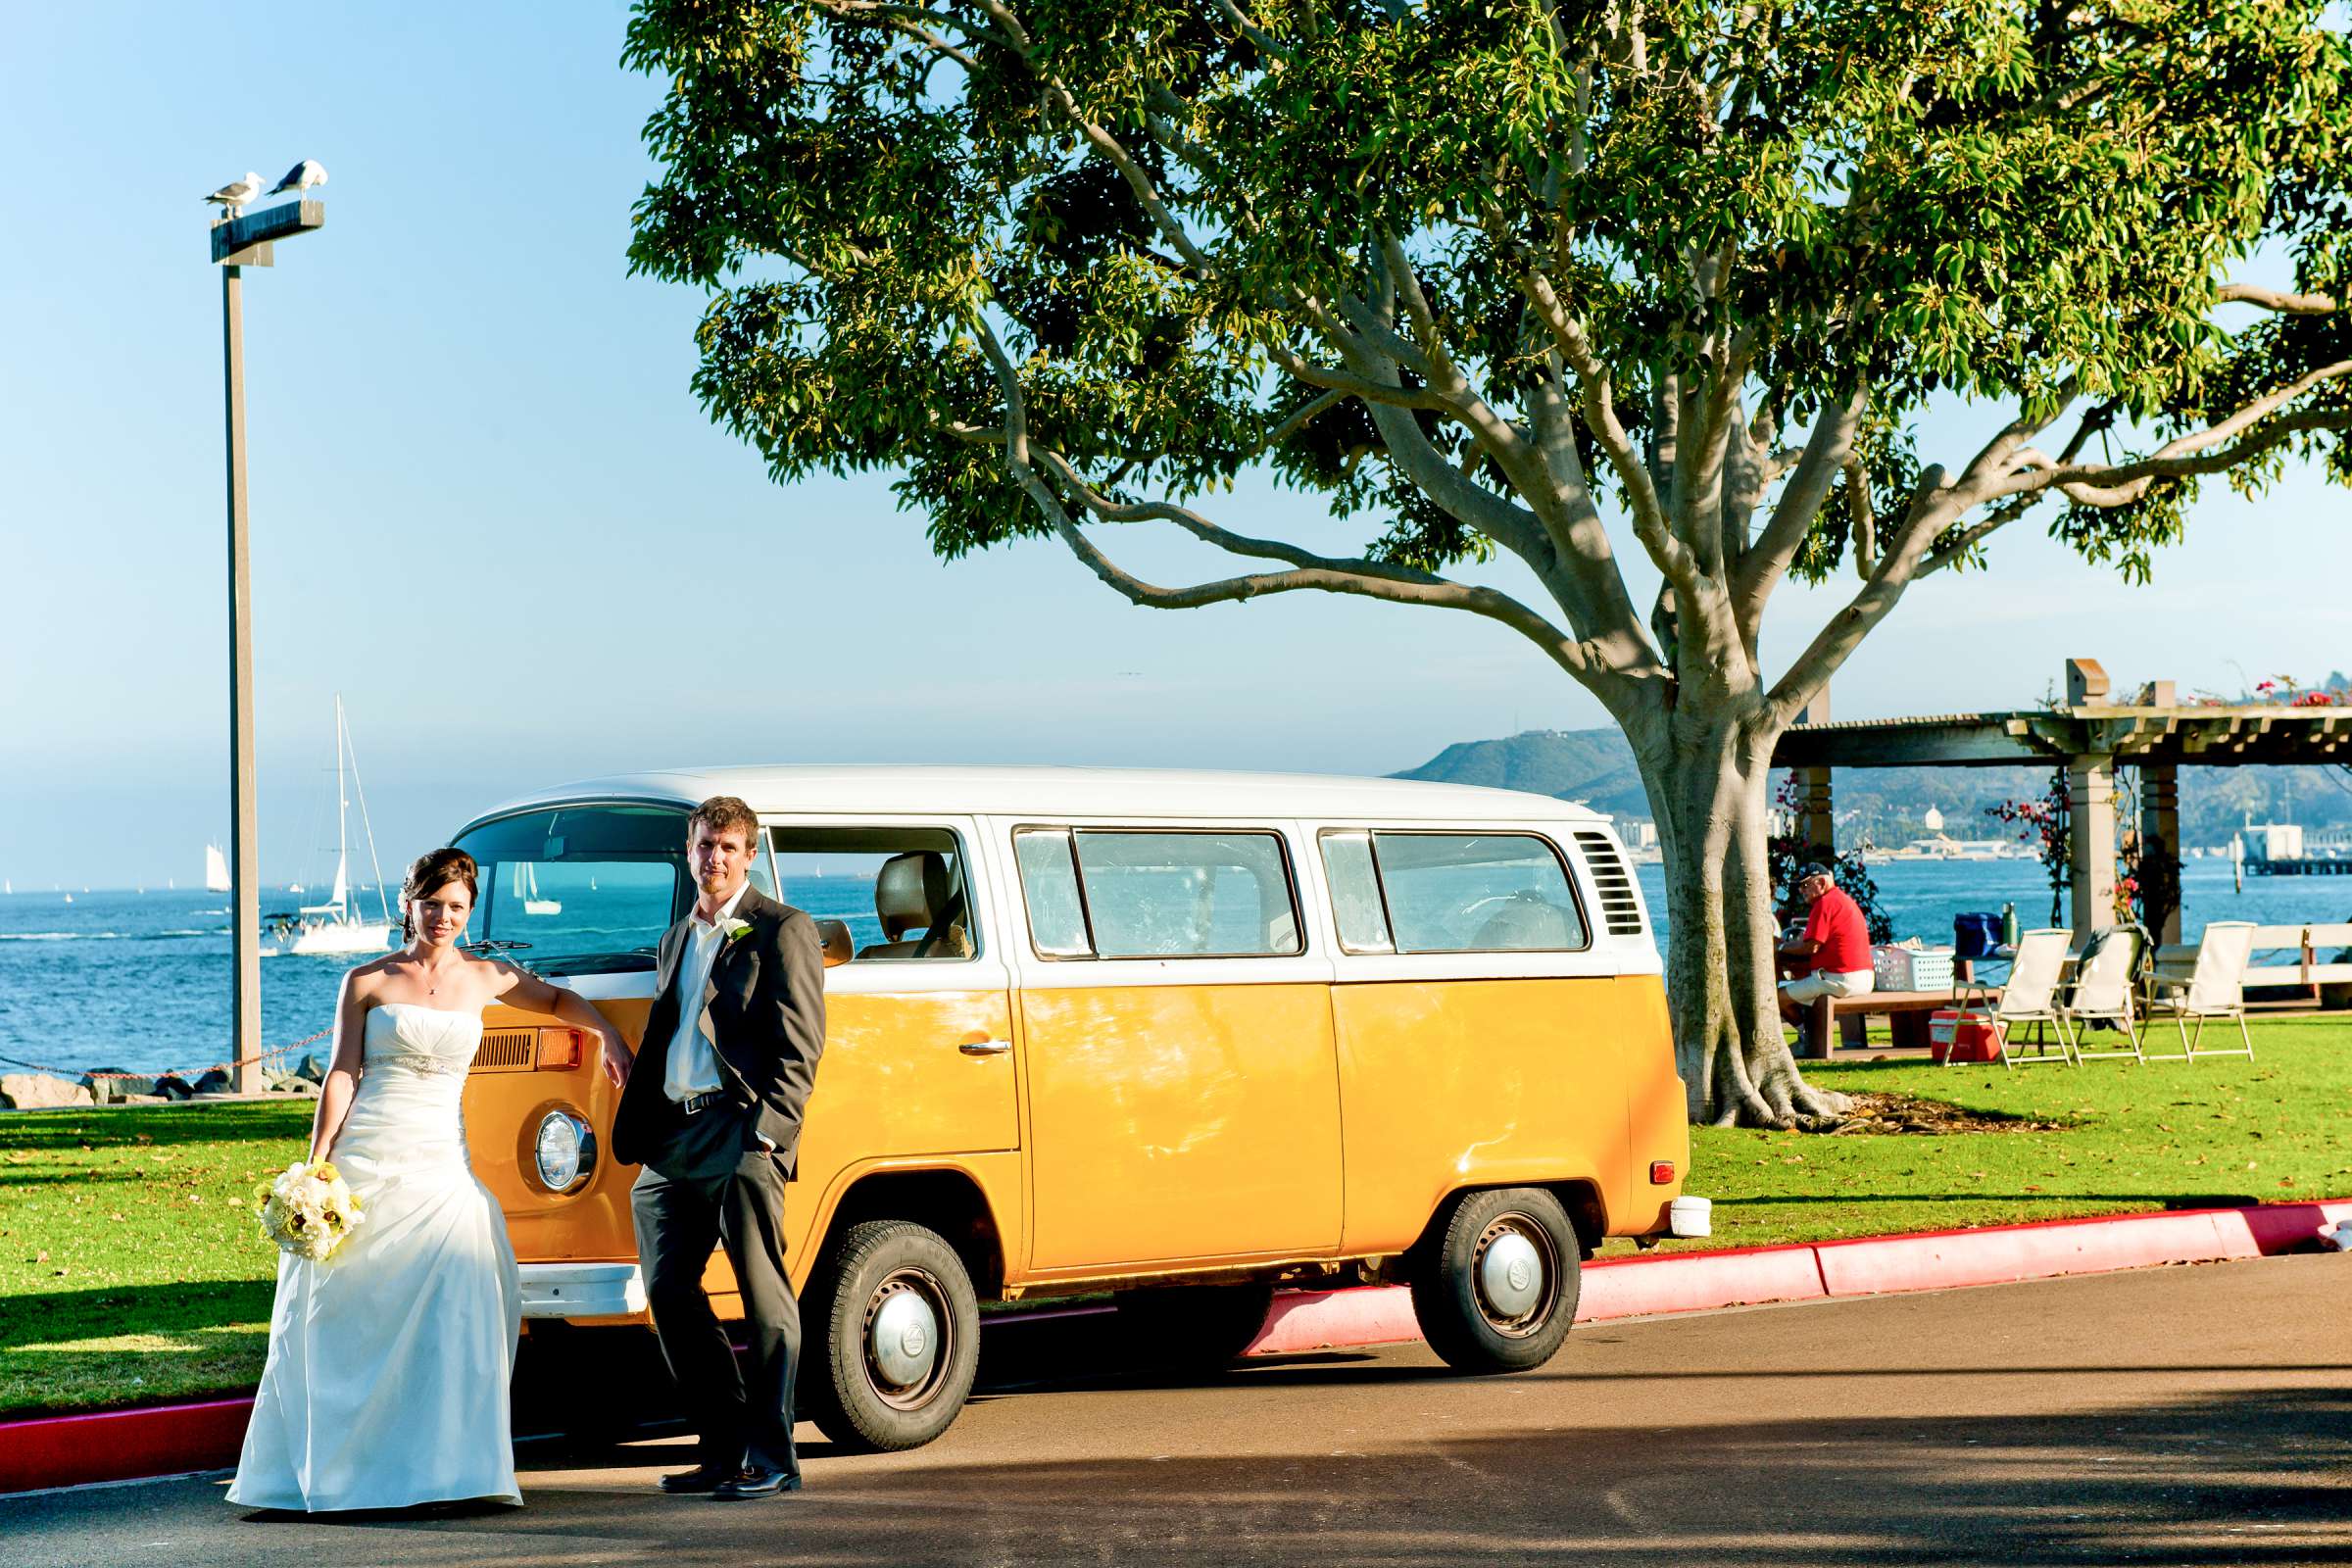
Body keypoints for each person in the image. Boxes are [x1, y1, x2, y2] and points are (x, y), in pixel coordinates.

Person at [229, 848, 630, 1513]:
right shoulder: (366, 981)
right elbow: (343, 1072)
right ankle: (338, 1467)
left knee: (461, 1292)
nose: (442, 917)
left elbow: (558, 997)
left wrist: (607, 1034)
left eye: (456, 907)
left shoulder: (488, 976)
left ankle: (451, 1472)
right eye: (432, 904)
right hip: (369, 1151)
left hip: (441, 1161)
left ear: (469, 914)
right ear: (407, 903)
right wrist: (319, 1160)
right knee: (348, 1304)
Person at [610, 796, 828, 1501]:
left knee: (765, 1297)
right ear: (689, 847)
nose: (715, 858)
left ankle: (774, 1456)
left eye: (729, 848)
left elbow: (802, 1046)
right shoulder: (676, 938)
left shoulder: (782, 930)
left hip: (739, 1133)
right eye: (706, 845)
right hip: (673, 1137)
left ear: (749, 855)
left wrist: (769, 1131)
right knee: (670, 1291)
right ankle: (722, 1446)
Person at [1777, 862, 1876, 1047]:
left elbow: (1810, 947)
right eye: (1800, 886)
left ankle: (1807, 1038)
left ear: (1821, 882)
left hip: (1839, 980)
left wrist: (1780, 948)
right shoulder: (1843, 900)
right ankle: (1811, 1036)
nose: (1801, 890)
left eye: (1805, 885)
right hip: (1864, 979)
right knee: (1803, 987)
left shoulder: (1824, 904)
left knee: (1776, 998)